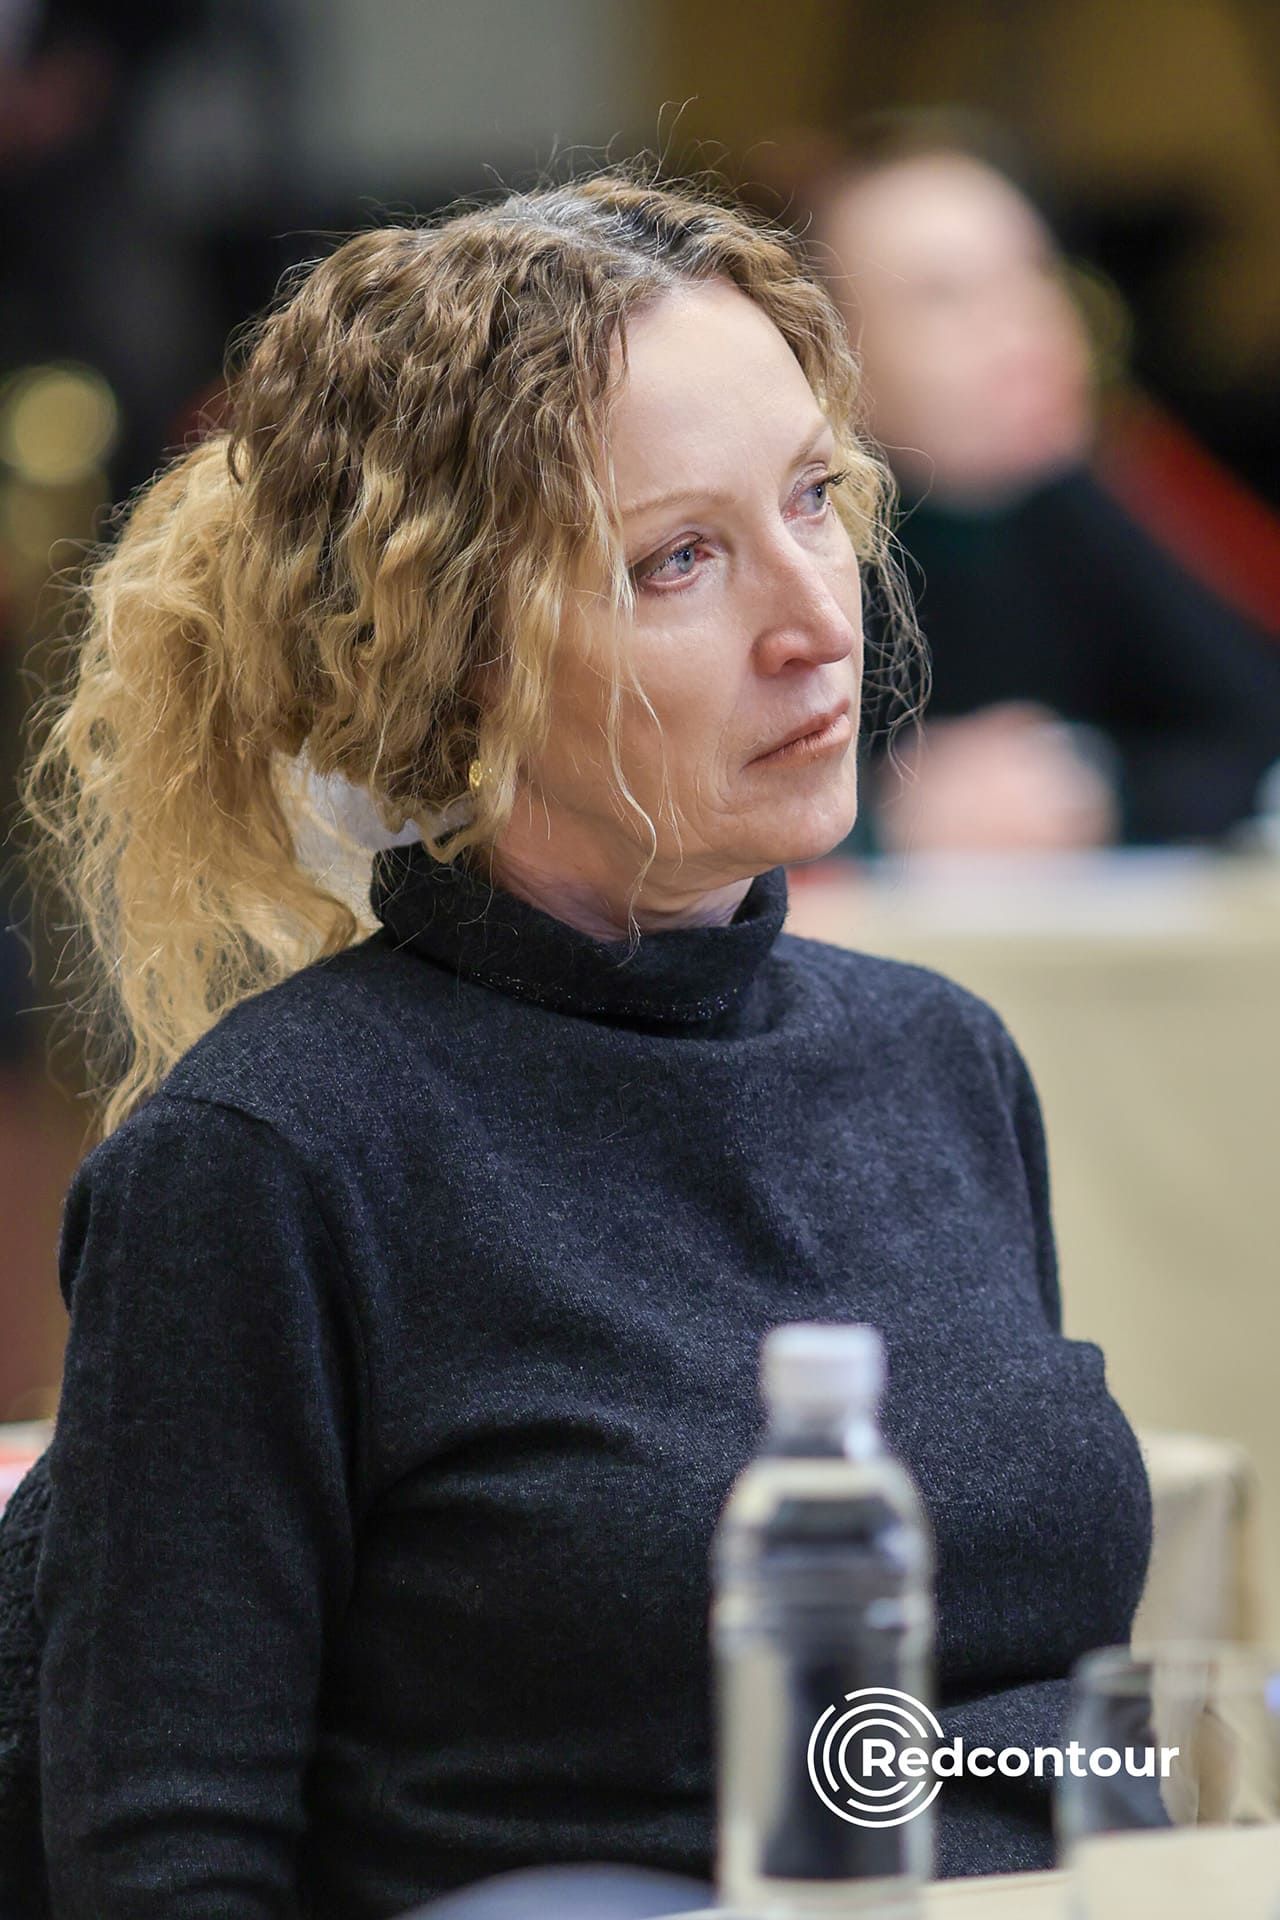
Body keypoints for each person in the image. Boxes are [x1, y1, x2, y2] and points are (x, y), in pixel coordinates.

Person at [7, 166, 1151, 1918]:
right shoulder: (272, 1161)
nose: (816, 617)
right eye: (679, 559)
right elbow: (167, 1860)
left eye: (813, 499)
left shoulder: (941, 1063)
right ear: (458, 652)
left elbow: (1036, 1715)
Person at [794, 126, 1280, 852]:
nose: (1020, 324)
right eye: (945, 296)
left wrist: (1095, 786)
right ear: (832, 349)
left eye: (1033, 271)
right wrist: (879, 816)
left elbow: (1254, 727)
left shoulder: (1071, 501)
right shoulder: (798, 539)